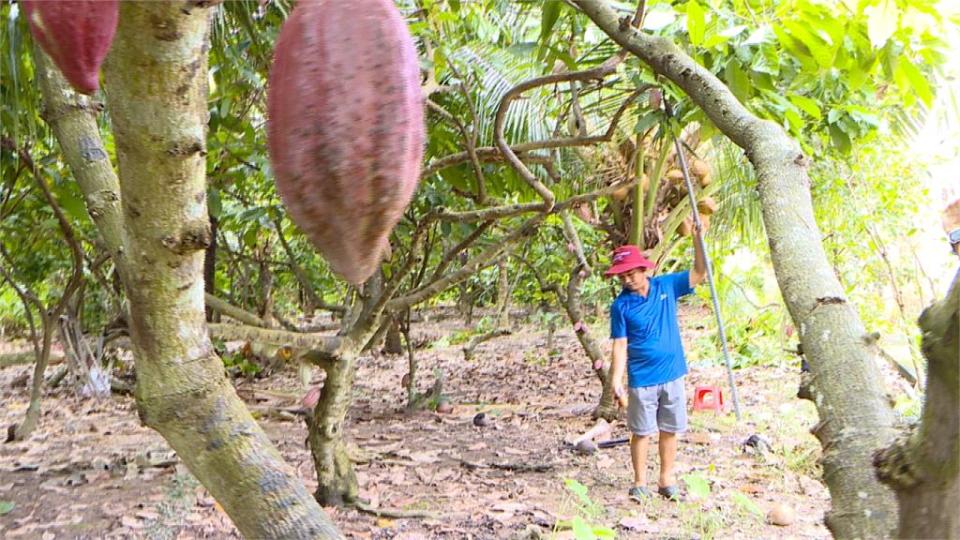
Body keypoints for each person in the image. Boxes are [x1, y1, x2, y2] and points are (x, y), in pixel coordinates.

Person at [605, 228, 706, 501]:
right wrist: (616, 379)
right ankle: (640, 482)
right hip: (642, 377)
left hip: (672, 372)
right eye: (622, 275)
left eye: (631, 273)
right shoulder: (620, 306)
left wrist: (697, 238)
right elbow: (620, 344)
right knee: (641, 431)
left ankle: (666, 479)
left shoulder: (666, 286)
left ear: (643, 269)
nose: (627, 279)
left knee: (670, 428)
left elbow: (699, 272)